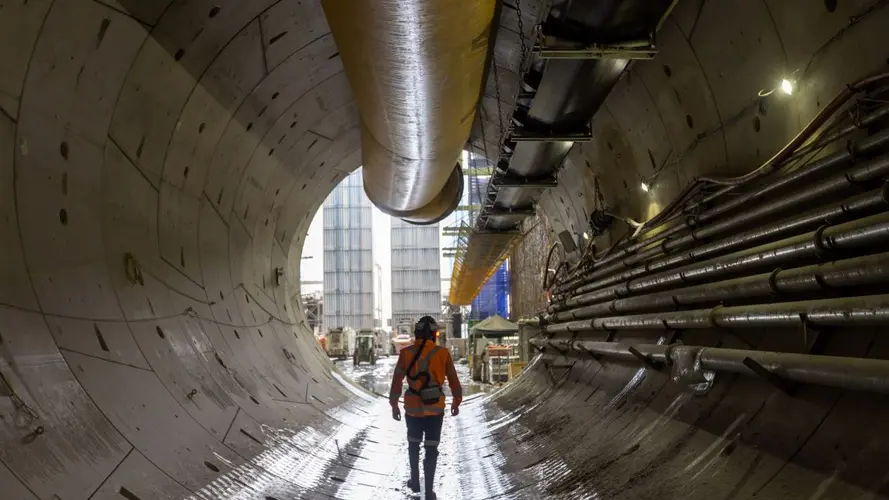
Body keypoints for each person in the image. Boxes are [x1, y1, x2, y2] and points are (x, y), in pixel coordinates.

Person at [389, 316, 462, 499]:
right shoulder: (443, 354)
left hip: (412, 408)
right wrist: (456, 400)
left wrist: (394, 405)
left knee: (413, 444)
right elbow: (454, 380)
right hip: (435, 409)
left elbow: (397, 381)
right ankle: (428, 492)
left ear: (416, 333)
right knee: (431, 448)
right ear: (434, 334)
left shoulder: (406, 354)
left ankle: (414, 481)